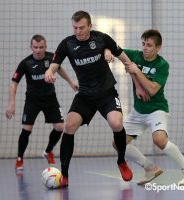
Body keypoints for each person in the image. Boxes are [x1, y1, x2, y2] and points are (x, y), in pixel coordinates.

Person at [44, 10, 142, 187]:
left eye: (82, 27)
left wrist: (135, 76)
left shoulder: (102, 39)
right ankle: (64, 174)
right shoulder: (67, 44)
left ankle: (121, 161)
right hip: (85, 96)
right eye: (75, 27)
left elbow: (124, 59)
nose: (78, 31)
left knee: (117, 123)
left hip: (106, 93)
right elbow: (54, 65)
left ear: (90, 26)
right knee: (69, 125)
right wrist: (49, 72)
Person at [108, 29, 184, 186]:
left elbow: (152, 89)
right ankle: (150, 168)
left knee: (160, 140)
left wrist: (136, 71)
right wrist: (108, 51)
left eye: (149, 45)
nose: (145, 48)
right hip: (138, 111)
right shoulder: (134, 55)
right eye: (143, 44)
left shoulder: (162, 65)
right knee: (118, 143)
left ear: (158, 47)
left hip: (157, 110)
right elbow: (110, 46)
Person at [5, 34, 78, 170]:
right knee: (27, 129)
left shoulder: (51, 58)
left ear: (45, 47)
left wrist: (71, 82)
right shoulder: (25, 63)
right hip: (32, 100)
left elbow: (60, 70)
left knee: (60, 127)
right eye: (35, 47)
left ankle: (48, 151)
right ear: (31, 47)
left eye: (41, 47)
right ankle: (20, 157)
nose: (38, 50)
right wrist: (12, 103)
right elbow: (14, 83)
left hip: (50, 98)